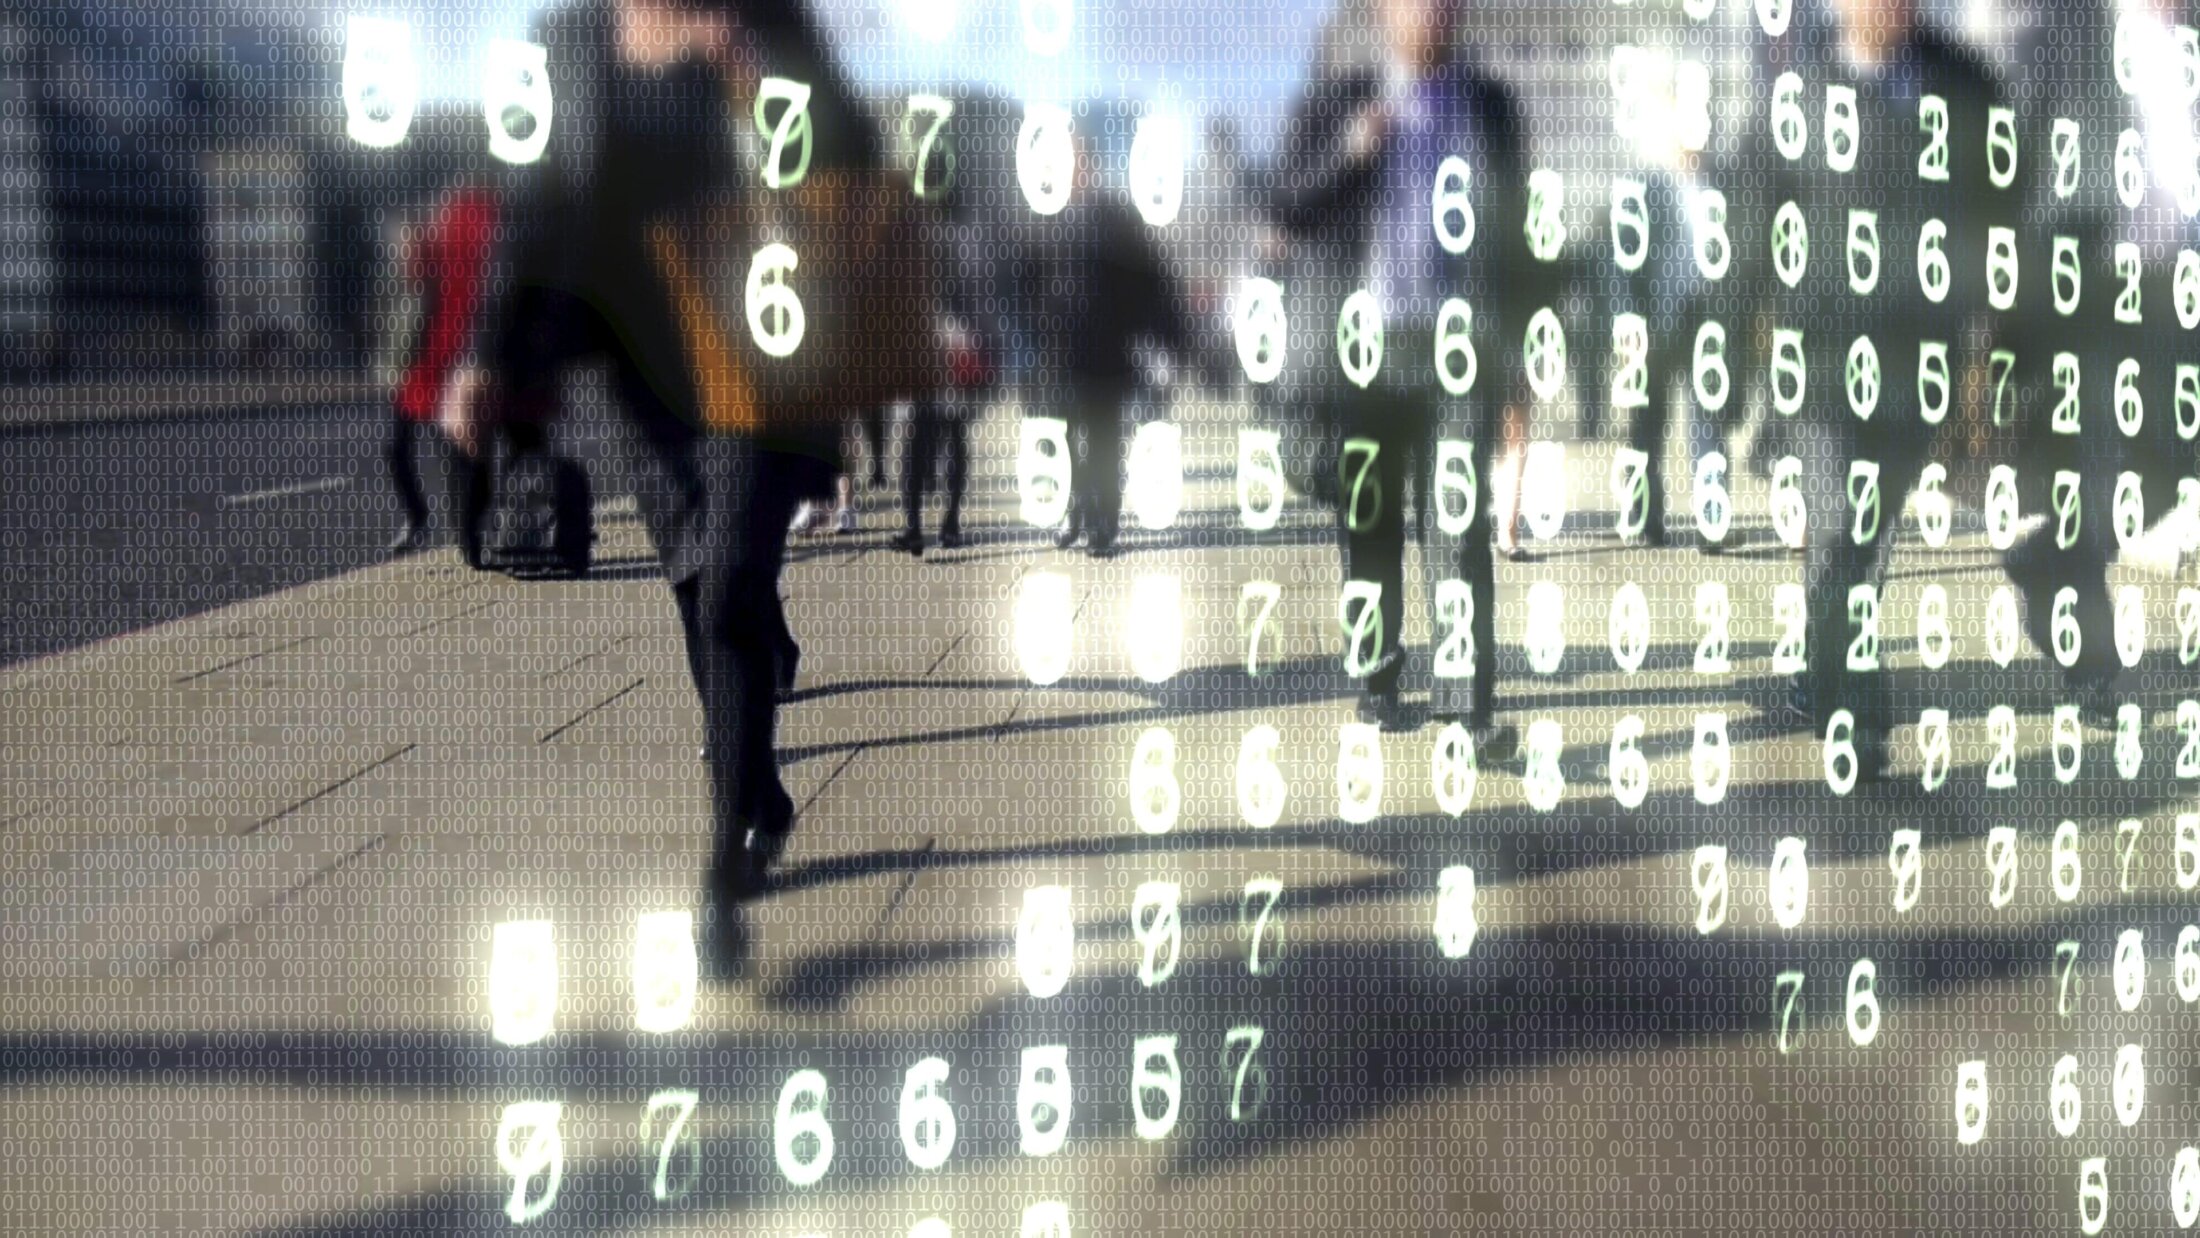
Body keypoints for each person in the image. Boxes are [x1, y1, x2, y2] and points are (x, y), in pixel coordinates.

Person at [461, 0, 876, 975]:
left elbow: (849, 170)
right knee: (699, 592)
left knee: (729, 585)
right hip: (641, 373)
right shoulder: (571, 39)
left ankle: (724, 869)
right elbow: (538, 197)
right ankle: (759, 792)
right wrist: (487, 351)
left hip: (756, 343)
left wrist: (752, 90)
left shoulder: (771, 26)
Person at [1265, 0, 1543, 752]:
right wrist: (1352, 152)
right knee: (1371, 523)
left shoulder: (1489, 108)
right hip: (1365, 351)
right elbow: (1288, 208)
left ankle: (1468, 710)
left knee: (1458, 525)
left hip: (1459, 351)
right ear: (1384, 12)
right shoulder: (1341, 102)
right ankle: (1378, 681)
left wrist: (1519, 348)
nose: (1432, 13)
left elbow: (1516, 238)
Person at [1775, 0, 2013, 776]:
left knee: (1865, 537)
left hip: (1915, 359)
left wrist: (1981, 343)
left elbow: (1994, 218)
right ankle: (1852, 705)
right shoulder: (1803, 88)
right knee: (1837, 527)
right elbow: (1765, 208)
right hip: (1822, 361)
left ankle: (1828, 671)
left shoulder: (1964, 89)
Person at [1023, 130, 1191, 559]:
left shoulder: (1115, 217)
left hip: (1105, 352)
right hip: (1058, 354)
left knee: (1102, 440)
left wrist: (1171, 342)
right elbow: (1024, 282)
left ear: (1089, 166)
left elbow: (1150, 279)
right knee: (1062, 439)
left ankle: (1103, 523)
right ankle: (1076, 510)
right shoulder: (1044, 217)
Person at [386, 169, 498, 557]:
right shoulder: (432, 222)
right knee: (399, 446)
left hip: (456, 354)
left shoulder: (477, 217)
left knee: (459, 449)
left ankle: (478, 526)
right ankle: (424, 520)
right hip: (425, 356)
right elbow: (415, 283)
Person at [891, 188, 998, 555]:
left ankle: (916, 527)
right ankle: (947, 524)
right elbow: (980, 295)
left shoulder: (918, 234)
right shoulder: (966, 236)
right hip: (956, 347)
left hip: (931, 348)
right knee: (951, 436)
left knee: (916, 442)